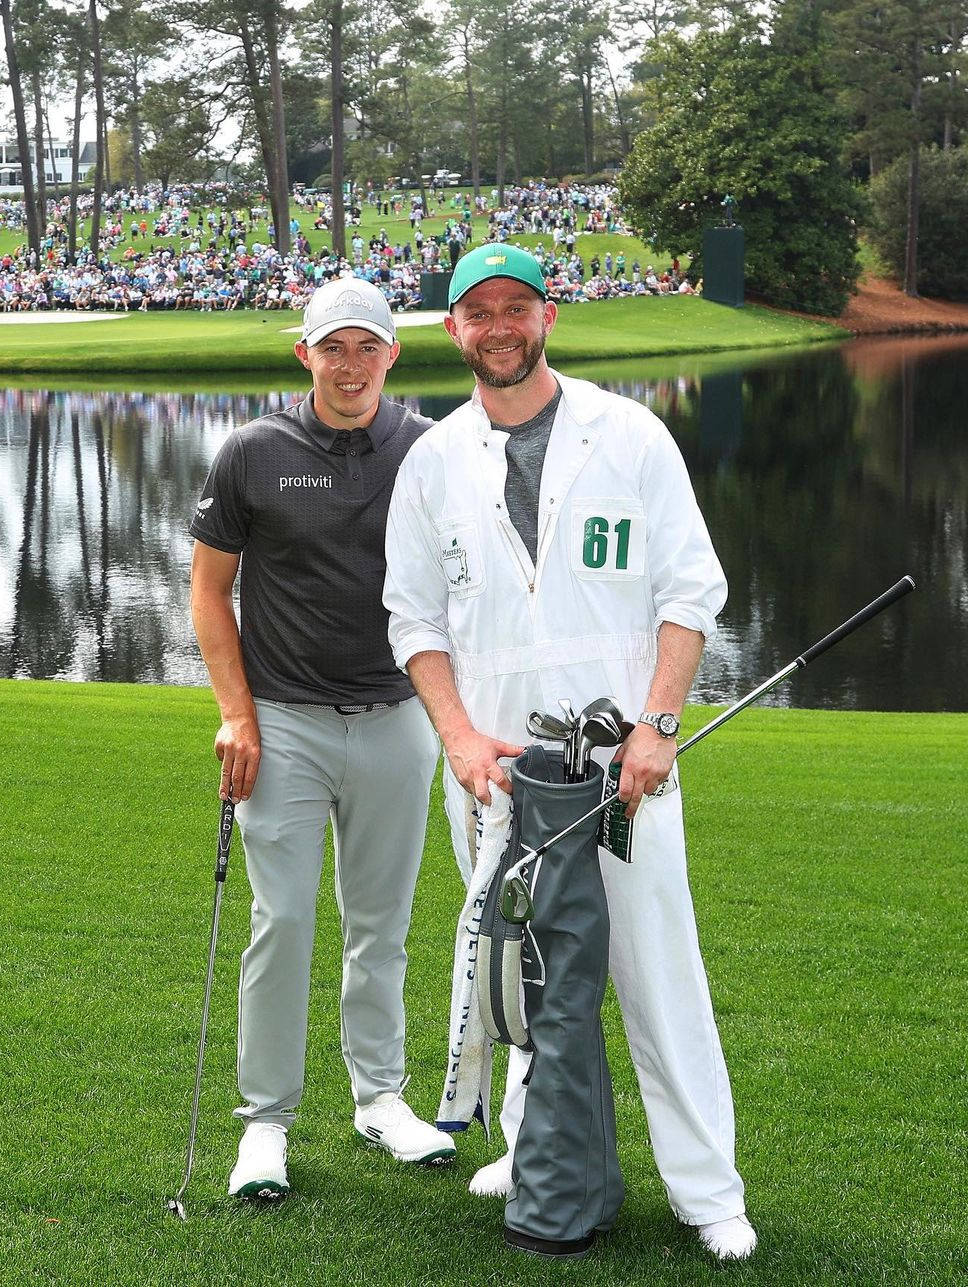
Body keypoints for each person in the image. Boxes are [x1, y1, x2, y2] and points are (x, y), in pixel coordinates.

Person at [382, 244, 757, 1262]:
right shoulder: (431, 460)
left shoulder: (627, 435)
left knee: (654, 974)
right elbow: (413, 620)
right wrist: (457, 737)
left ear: (548, 316)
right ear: (453, 328)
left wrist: (660, 725)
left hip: (624, 768)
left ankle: (706, 1187)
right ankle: (535, 1149)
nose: (498, 326)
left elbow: (691, 591)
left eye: (517, 307)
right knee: (523, 970)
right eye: (477, 311)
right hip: (496, 772)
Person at [190, 276, 454, 1201]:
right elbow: (208, 592)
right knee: (283, 920)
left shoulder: (431, 449)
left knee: (380, 925)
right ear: (305, 353)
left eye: (367, 346)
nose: (350, 365)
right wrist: (235, 711)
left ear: (394, 353)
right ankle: (265, 1123)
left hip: (395, 719)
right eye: (332, 347)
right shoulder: (252, 453)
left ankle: (380, 1098)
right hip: (286, 724)